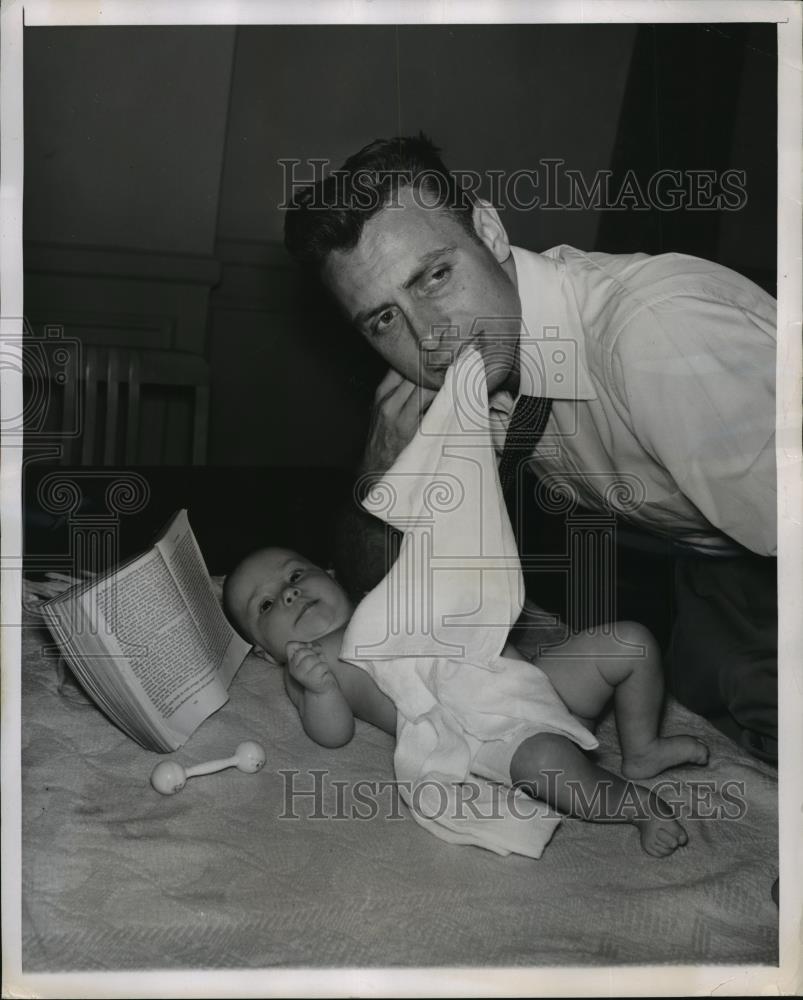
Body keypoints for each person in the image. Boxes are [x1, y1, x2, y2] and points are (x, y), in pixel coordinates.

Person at [283, 134, 778, 763]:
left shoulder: (657, 338)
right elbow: (383, 599)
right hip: (715, 561)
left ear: (489, 232)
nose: (430, 340)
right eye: (384, 319)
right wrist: (380, 473)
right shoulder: (471, 368)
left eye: (435, 276)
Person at [223, 545, 709, 857]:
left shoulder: (389, 596)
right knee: (549, 763)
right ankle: (636, 805)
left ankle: (642, 747)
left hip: (531, 681)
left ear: (330, 573)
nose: (288, 595)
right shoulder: (310, 663)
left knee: (632, 643)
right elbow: (332, 734)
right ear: (265, 654)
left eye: (295, 576)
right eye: (265, 606)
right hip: (484, 730)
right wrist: (320, 688)